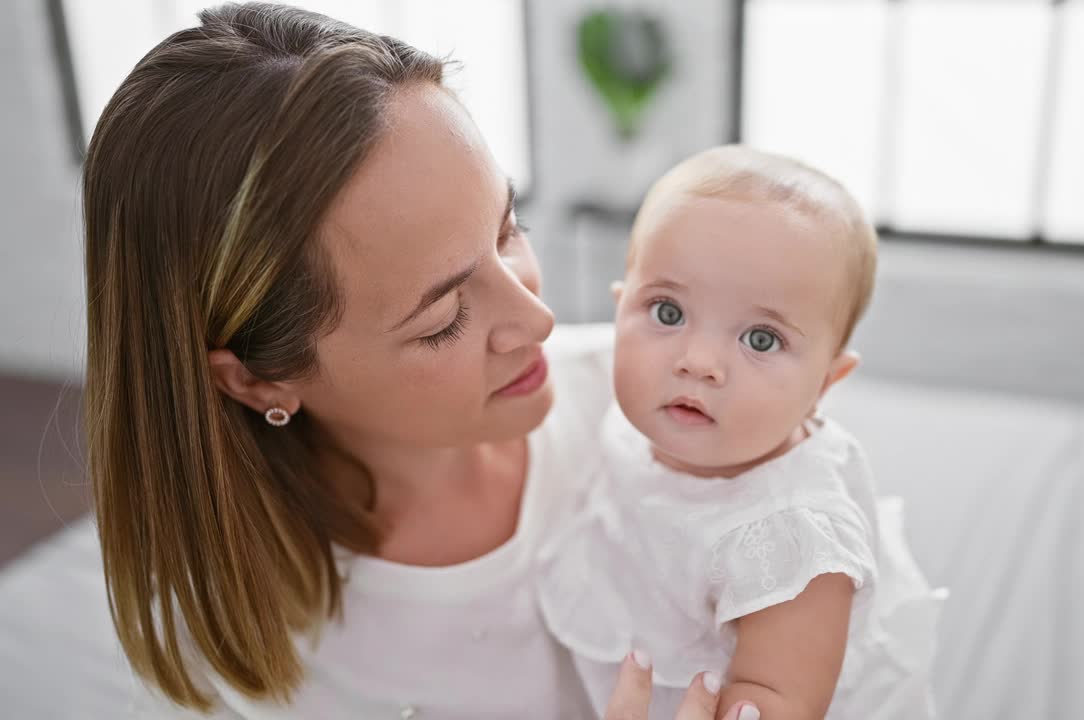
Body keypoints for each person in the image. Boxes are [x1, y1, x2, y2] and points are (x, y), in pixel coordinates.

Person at [84, 3, 757, 718]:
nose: (539, 320)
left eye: (508, 230)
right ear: (257, 379)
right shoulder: (242, 646)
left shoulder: (683, 421)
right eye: (443, 321)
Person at [536, 146, 945, 718]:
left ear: (826, 382)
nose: (699, 361)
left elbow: (777, 699)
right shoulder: (634, 409)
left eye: (761, 339)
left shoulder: (791, 532)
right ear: (619, 309)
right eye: (668, 312)